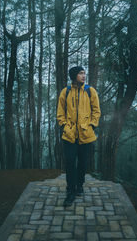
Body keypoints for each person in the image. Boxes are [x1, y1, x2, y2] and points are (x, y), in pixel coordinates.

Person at [57, 66, 101, 207]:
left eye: (84, 73)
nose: (84, 75)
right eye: (81, 73)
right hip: (69, 135)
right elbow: (60, 112)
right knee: (70, 163)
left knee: (82, 163)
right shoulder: (66, 92)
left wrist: (92, 125)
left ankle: (80, 185)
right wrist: (64, 126)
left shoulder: (90, 91)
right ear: (74, 75)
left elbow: (96, 111)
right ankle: (70, 191)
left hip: (86, 134)